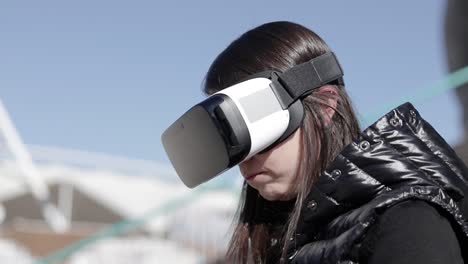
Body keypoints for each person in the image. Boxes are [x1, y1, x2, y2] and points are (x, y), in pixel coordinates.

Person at [200, 21, 468, 263]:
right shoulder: (275, 238)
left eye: (256, 122)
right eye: (230, 135)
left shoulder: (406, 226)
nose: (245, 156)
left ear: (327, 105)